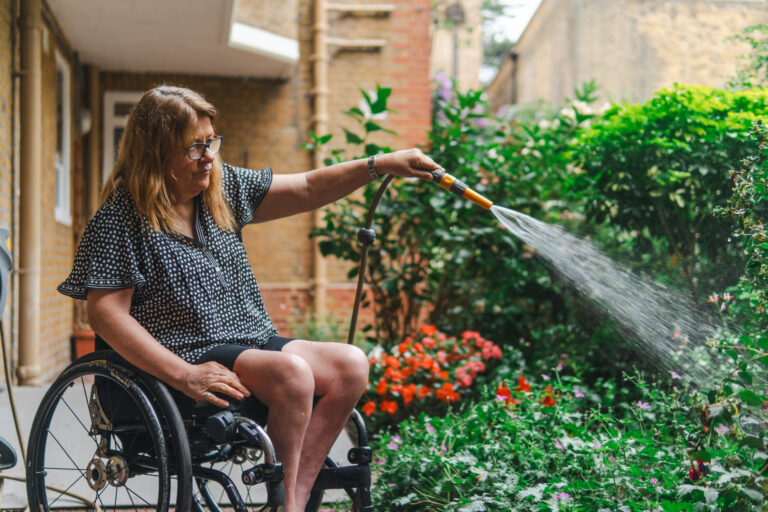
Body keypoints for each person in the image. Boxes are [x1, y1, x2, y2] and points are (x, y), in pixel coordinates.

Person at [58, 85, 441, 511]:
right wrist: (185, 374)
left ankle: (289, 500)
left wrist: (379, 164)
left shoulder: (221, 189)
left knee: (350, 364)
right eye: (193, 148)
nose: (208, 156)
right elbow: (105, 313)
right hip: (184, 354)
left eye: (211, 142)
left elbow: (310, 187)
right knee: (292, 376)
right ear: (155, 153)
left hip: (249, 339)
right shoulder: (123, 215)